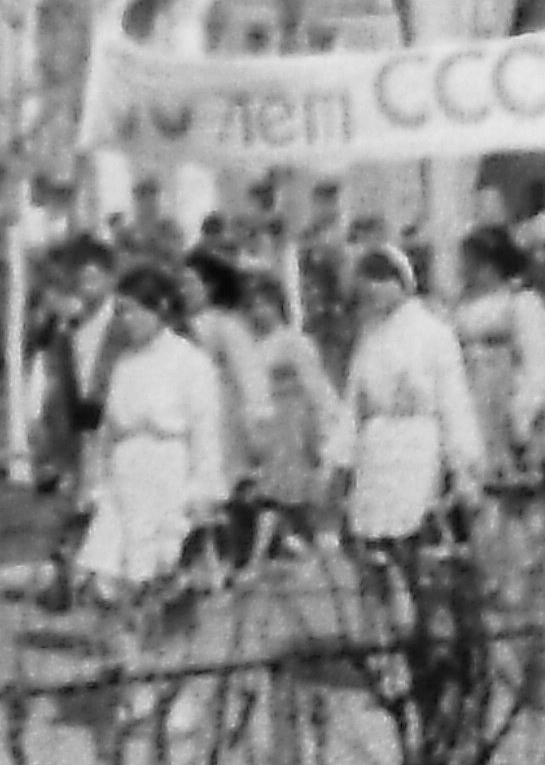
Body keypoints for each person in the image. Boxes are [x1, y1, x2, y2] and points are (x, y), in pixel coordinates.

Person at [74, 262, 223, 721]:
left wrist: (202, 494)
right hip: (125, 483)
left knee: (168, 591)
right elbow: (105, 433)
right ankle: (136, 685)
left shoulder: (190, 363)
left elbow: (206, 433)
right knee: (109, 587)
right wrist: (95, 483)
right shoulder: (122, 365)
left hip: (170, 480)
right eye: (121, 313)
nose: (126, 322)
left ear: (161, 310)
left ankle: (180, 695)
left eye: (135, 312)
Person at [323, 245, 486, 549]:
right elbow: (353, 404)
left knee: (417, 536)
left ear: (402, 282)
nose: (374, 292)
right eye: (368, 284)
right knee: (375, 545)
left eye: (383, 281)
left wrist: (462, 462)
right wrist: (340, 459)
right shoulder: (368, 340)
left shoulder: (435, 333)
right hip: (376, 450)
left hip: (418, 445)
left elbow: (453, 400)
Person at [26, 233, 125, 610]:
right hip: (77, 427)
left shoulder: (121, 322)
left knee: (106, 503)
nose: (87, 287)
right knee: (76, 502)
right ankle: (69, 575)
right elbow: (53, 373)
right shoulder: (70, 327)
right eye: (81, 280)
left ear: (110, 278)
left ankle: (99, 582)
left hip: (113, 424)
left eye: (94, 278)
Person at [452, 225, 545, 508]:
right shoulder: (461, 308)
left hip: (504, 406)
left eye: (473, 262)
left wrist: (523, 413)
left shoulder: (522, 303)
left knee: (513, 501)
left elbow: (537, 364)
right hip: (470, 403)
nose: (466, 270)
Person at [238, 267, 344, 559]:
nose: (258, 312)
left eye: (264, 304)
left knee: (297, 493)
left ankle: (318, 546)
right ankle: (273, 550)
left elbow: (316, 385)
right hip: (268, 425)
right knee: (271, 497)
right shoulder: (250, 348)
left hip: (295, 423)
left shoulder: (293, 342)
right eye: (252, 306)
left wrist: (326, 426)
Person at [180, 247, 272, 574]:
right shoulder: (179, 326)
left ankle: (235, 558)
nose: (184, 290)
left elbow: (249, 374)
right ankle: (202, 564)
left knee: (227, 487)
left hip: (223, 417)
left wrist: (256, 418)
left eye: (191, 283)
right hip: (188, 415)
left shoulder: (226, 326)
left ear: (211, 287)